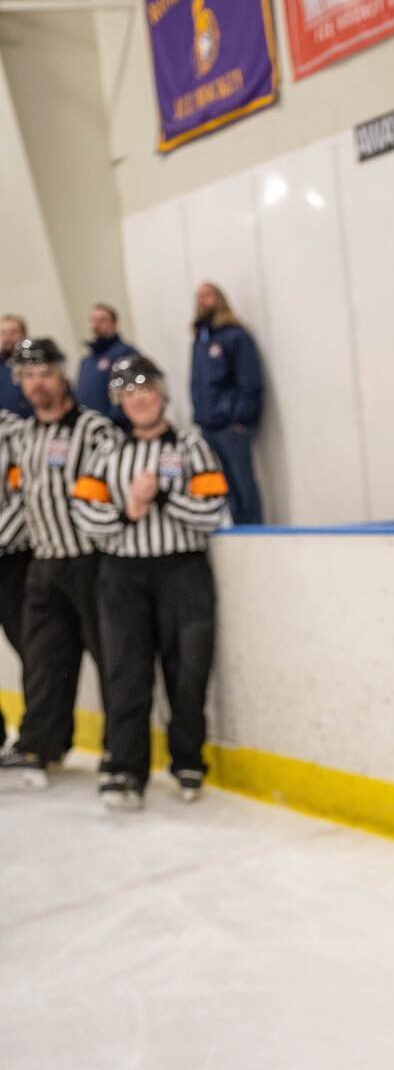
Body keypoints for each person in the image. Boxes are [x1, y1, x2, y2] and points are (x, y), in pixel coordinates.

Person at [70, 354, 228, 812]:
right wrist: (128, 511)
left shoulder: (191, 444)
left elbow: (212, 508)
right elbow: (85, 513)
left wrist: (160, 496)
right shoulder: (107, 451)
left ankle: (187, 759)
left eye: (146, 389)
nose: (139, 398)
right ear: (120, 401)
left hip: (182, 571)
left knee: (188, 670)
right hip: (122, 575)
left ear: (161, 393)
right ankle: (125, 767)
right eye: (129, 392)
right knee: (126, 673)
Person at [0, 338, 118, 786]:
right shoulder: (24, 436)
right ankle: (39, 745)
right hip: (42, 563)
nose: (36, 384)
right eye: (27, 376)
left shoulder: (95, 430)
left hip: (89, 562)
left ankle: (119, 750)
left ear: (62, 374)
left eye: (43, 373)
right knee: (44, 661)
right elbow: (20, 500)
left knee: (111, 660)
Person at [190, 281, 264, 524]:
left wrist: (241, 418)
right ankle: (238, 529)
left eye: (208, 295)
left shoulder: (235, 336)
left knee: (244, 483)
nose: (203, 301)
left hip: (231, 425)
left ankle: (254, 529)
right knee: (224, 485)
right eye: (199, 296)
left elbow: (250, 380)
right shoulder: (199, 342)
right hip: (208, 425)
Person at [0, 409, 30, 750]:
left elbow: (26, 495)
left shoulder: (15, 431)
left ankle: (39, 737)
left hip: (12, 560)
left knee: (31, 649)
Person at [75, 304, 134, 427]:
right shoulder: (87, 361)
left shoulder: (124, 354)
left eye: (102, 320)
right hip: (89, 428)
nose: (96, 325)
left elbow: (130, 392)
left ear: (114, 324)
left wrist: (112, 419)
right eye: (93, 320)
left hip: (116, 427)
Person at [0, 314, 33, 421]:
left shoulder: (39, 364)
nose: (8, 337)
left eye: (13, 332)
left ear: (24, 334)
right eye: (4, 333)